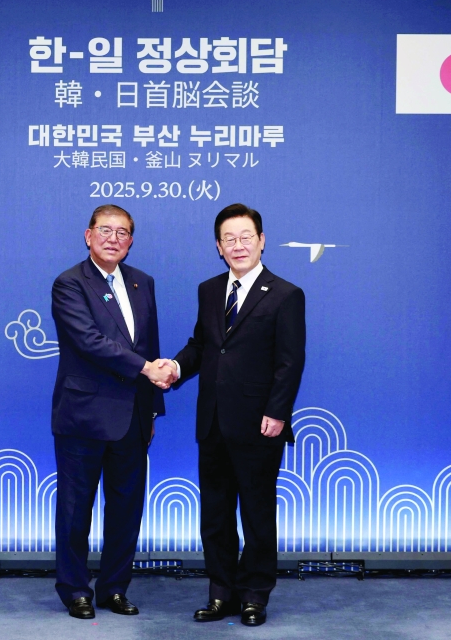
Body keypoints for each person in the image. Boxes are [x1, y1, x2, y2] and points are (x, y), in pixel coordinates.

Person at [164, 203, 306, 627]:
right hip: (213, 421)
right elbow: (202, 346)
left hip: (260, 424)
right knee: (216, 513)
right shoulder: (209, 290)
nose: (238, 245)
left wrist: (278, 412)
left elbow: (290, 361)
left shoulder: (285, 294)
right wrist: (175, 367)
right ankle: (221, 592)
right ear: (218, 247)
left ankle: (255, 595)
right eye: (230, 239)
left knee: (258, 515)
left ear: (262, 241)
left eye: (247, 237)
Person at [50, 204, 176, 619]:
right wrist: (145, 368)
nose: (113, 238)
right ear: (88, 236)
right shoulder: (69, 283)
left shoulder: (143, 282)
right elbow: (88, 341)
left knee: (126, 509)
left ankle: (114, 588)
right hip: (83, 415)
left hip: (133, 417)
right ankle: (75, 590)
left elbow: (150, 345)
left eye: (123, 233)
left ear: (131, 241)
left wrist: (153, 410)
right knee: (75, 510)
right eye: (105, 230)